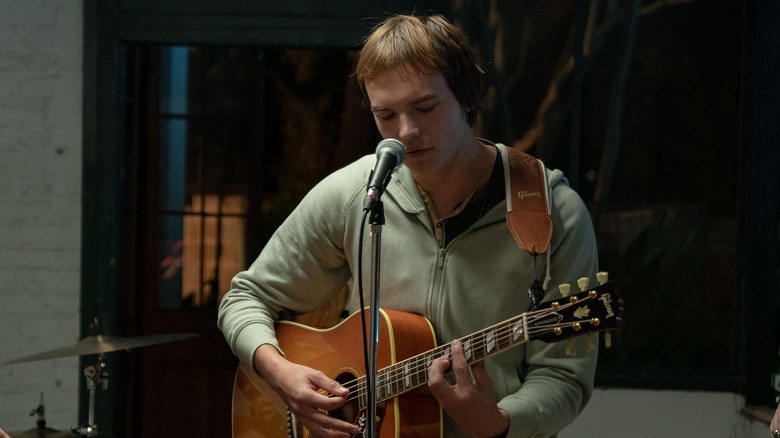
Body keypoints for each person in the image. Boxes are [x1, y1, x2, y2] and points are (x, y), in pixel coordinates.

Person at [218, 13, 599, 438]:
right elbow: (245, 298)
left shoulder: (552, 212)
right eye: (385, 115)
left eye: (425, 107)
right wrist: (279, 373)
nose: (407, 131)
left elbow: (564, 376)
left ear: (467, 98)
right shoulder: (357, 192)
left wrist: (501, 423)